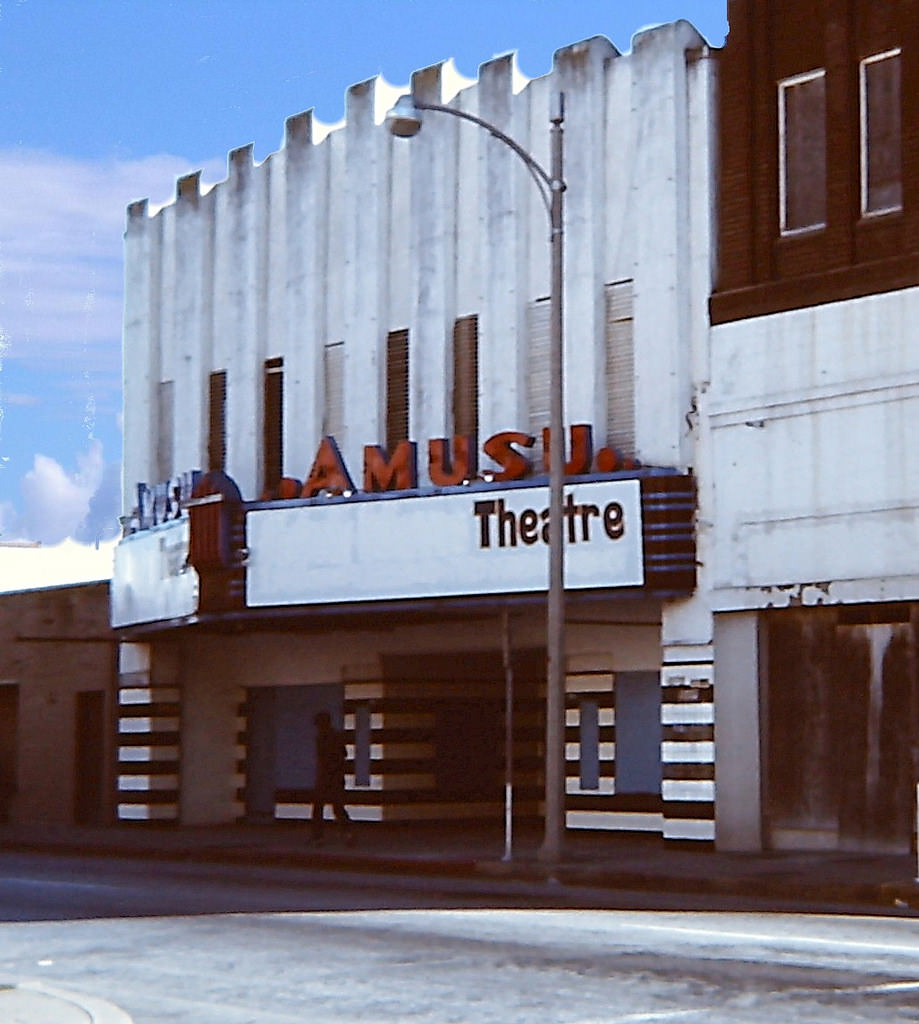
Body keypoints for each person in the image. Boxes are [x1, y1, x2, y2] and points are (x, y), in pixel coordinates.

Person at [311, 711, 352, 844]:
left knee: (318, 808)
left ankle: (318, 836)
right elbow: (344, 754)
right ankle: (347, 833)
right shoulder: (338, 736)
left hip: (325, 777)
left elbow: (321, 759)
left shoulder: (321, 738)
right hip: (337, 777)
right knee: (338, 807)